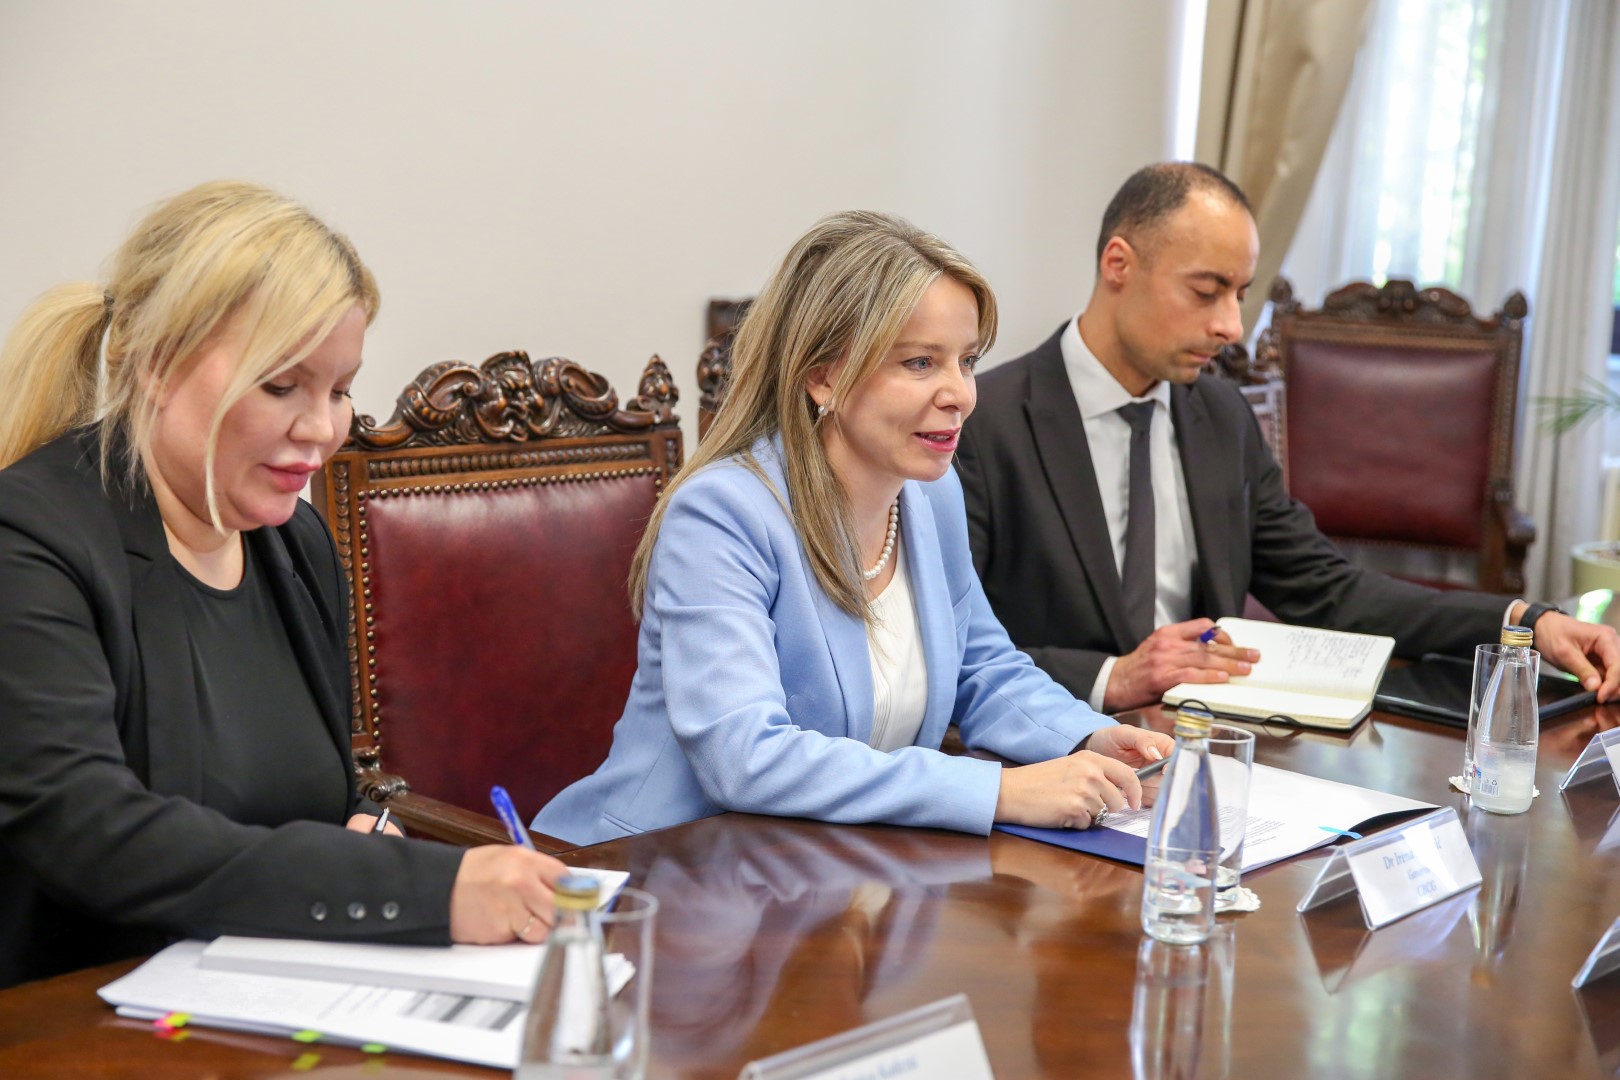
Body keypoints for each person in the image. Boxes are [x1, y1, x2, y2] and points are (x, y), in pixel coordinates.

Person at [0, 181, 565, 989]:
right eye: (280, 386)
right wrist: (419, 889)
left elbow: (316, 793)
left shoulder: (293, 545)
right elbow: (90, 831)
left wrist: (363, 829)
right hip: (75, 1013)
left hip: (264, 994)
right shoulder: (29, 540)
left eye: (339, 389)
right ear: (158, 364)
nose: (322, 430)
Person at [534, 210, 1172, 849]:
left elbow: (981, 667)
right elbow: (744, 756)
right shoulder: (722, 513)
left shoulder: (931, 493)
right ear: (824, 376)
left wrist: (1085, 735)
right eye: (920, 362)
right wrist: (999, 791)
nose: (959, 393)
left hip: (839, 865)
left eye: (967, 361)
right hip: (669, 866)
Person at [954, 161, 1620, 714]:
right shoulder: (984, 424)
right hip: (1052, 751)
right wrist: (1110, 677)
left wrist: (1525, 623)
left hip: (1211, 742)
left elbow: (1328, 589)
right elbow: (947, 645)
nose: (1231, 326)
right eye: (1207, 291)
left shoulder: (1220, 416)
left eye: (1240, 294)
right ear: (1118, 264)